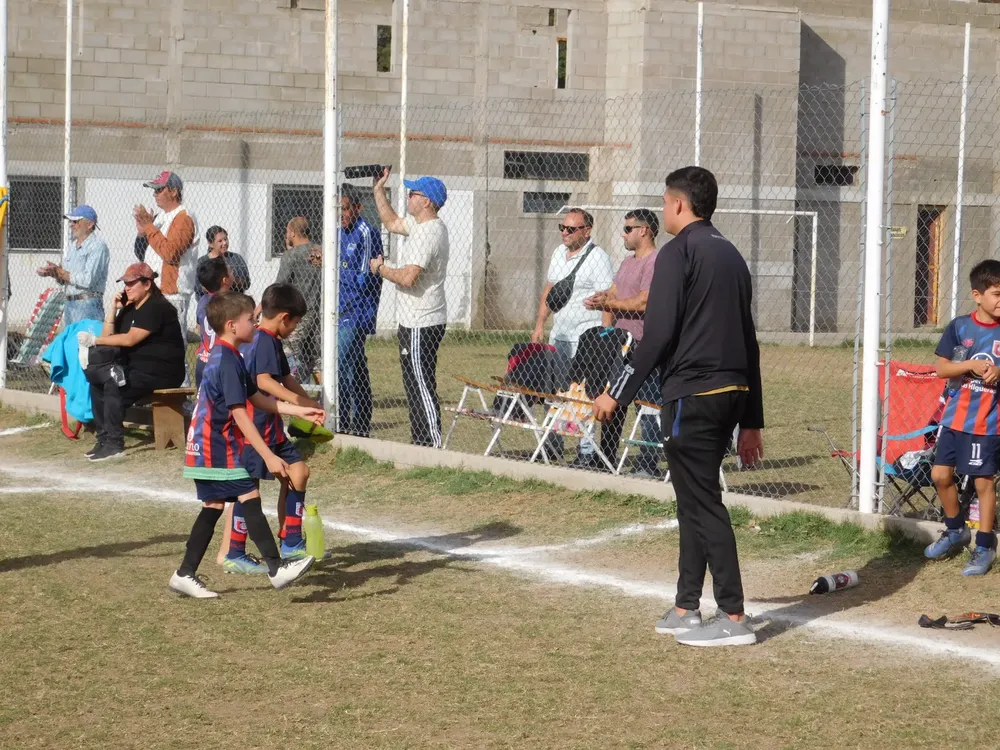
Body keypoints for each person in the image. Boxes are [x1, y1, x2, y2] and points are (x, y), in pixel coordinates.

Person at [594, 166, 765, 648]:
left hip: (693, 393)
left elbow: (658, 334)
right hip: (731, 393)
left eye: (665, 200)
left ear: (677, 205)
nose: (664, 206)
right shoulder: (731, 254)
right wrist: (752, 420)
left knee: (703, 503)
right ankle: (687, 605)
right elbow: (750, 343)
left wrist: (616, 391)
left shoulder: (677, 254)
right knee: (692, 500)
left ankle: (733, 617)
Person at [169, 291, 324, 599]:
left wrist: (300, 409)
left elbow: (259, 399)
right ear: (231, 325)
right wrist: (268, 455)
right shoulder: (226, 360)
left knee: (213, 507)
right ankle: (277, 568)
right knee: (248, 495)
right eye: (250, 320)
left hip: (207, 447)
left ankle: (184, 574)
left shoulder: (231, 355)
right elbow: (240, 414)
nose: (256, 324)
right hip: (215, 447)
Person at [218, 283, 327, 575]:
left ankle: (291, 541)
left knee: (298, 472)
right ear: (284, 317)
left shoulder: (265, 339)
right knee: (249, 489)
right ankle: (235, 552)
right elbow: (265, 381)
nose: (295, 328)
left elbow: (285, 376)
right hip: (255, 427)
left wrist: (308, 402)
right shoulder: (263, 339)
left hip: (272, 429)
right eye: (296, 323)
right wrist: (296, 401)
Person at [923, 259, 1000, 576]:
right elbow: (942, 369)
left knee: (983, 482)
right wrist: (969, 365)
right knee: (940, 476)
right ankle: (956, 530)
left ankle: (984, 545)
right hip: (954, 420)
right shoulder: (959, 327)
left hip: (987, 423)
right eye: (997, 293)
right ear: (977, 295)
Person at [370, 169, 449, 448]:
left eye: (413, 193)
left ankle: (432, 444)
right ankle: (420, 442)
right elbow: (391, 222)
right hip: (414, 321)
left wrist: (380, 269)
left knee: (421, 384)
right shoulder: (421, 225)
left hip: (422, 321)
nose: (409, 196)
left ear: (427, 201)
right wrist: (379, 189)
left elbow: (407, 277)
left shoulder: (429, 233)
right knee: (414, 384)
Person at [78, 262, 186, 462]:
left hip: (162, 372)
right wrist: (113, 309)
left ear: (147, 284)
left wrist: (95, 341)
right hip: (137, 370)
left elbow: (129, 339)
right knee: (97, 384)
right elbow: (109, 336)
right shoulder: (130, 309)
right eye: (125, 283)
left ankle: (115, 444)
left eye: (132, 283)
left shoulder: (156, 307)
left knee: (113, 384)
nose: (127, 287)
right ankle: (103, 439)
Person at [531, 208, 614, 467]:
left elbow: (607, 299)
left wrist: (605, 335)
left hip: (585, 339)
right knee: (555, 392)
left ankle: (586, 451)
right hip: (560, 336)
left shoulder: (598, 258)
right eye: (562, 228)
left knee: (582, 396)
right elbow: (550, 290)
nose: (565, 233)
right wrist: (539, 324)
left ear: (587, 231)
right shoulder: (558, 253)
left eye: (571, 229)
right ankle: (554, 444)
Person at [584, 208, 661, 476]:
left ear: (644, 230)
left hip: (643, 345)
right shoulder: (628, 262)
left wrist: (611, 302)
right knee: (614, 400)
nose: (623, 233)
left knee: (648, 405)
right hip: (621, 344)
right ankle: (605, 458)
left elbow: (643, 301)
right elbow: (615, 292)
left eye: (628, 229)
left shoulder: (655, 262)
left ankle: (648, 464)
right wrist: (601, 299)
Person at [339, 184, 383, 437]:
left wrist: (335, 269)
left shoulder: (367, 233)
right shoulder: (337, 232)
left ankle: (346, 422)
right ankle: (358, 423)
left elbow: (365, 279)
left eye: (345, 209)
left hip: (357, 311)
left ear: (357, 208)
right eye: (338, 209)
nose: (341, 214)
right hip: (339, 310)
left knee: (343, 363)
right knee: (354, 365)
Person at [133, 171, 200, 333]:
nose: (154, 194)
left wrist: (149, 227)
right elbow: (142, 254)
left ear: (174, 191)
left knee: (171, 346)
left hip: (172, 295)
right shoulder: (159, 217)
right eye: (154, 190)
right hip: (154, 291)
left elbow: (170, 253)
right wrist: (142, 233)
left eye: (159, 190)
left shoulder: (184, 217)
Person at [37, 205, 109, 324]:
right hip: (70, 305)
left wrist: (62, 273)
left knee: (85, 342)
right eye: (71, 221)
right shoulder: (72, 246)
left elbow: (88, 280)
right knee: (71, 342)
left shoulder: (98, 247)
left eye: (76, 221)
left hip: (87, 305)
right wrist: (54, 273)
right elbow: (65, 278)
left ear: (90, 224)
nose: (71, 225)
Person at [276, 217, 322, 383]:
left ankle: (294, 393)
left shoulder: (291, 256)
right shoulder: (320, 251)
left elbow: (280, 285)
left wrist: (262, 308)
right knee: (315, 358)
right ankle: (325, 397)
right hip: (319, 313)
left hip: (298, 314)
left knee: (290, 352)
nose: (286, 234)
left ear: (293, 233)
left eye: (288, 231)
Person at [194, 257, 232, 390]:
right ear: (225, 280)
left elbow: (200, 327)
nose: (232, 272)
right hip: (221, 362)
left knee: (204, 404)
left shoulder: (202, 301)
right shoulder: (229, 303)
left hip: (203, 361)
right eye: (230, 271)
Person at [196, 226, 251, 297]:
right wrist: (217, 285)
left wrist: (232, 280)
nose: (224, 243)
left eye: (225, 239)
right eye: (220, 241)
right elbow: (197, 287)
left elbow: (247, 283)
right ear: (211, 244)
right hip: (211, 302)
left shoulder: (236, 258)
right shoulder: (202, 262)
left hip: (235, 301)